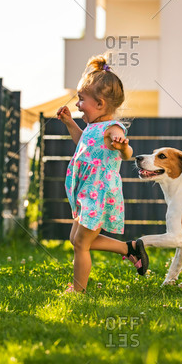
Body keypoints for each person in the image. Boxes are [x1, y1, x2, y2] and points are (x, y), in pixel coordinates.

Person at [57, 53, 148, 293]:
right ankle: (130, 248)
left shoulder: (112, 128)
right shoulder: (91, 128)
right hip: (86, 191)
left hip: (98, 193)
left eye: (81, 99)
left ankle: (78, 290)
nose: (77, 105)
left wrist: (122, 145)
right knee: (76, 239)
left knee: (80, 243)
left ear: (99, 104)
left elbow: (128, 153)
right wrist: (69, 124)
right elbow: (83, 144)